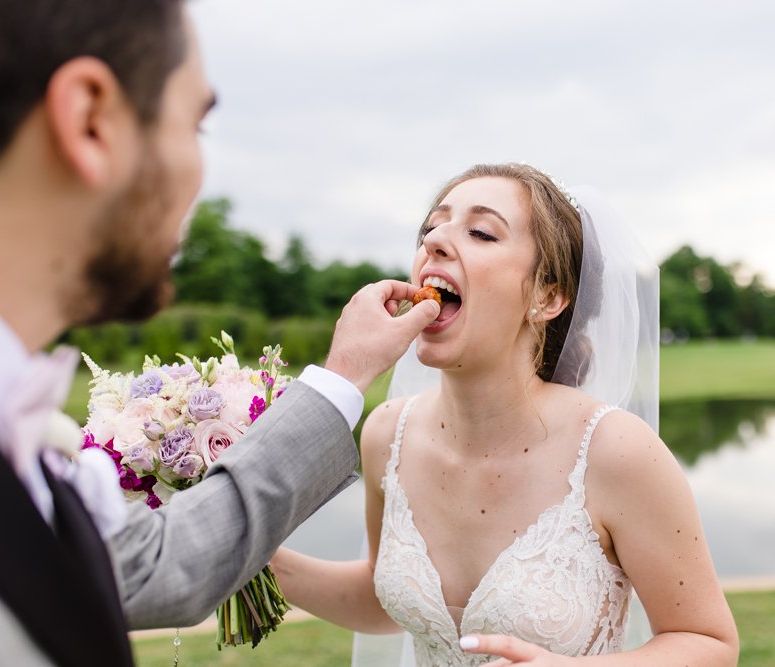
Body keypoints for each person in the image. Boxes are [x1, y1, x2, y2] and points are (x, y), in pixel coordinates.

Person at [0, 2, 440, 666]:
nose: (199, 174)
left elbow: (152, 564)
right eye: (197, 125)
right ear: (89, 120)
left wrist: (344, 373)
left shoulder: (12, 422)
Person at [270, 163, 740, 665]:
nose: (435, 242)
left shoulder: (615, 451)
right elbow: (383, 601)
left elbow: (709, 642)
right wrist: (243, 552)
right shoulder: (387, 432)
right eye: (431, 228)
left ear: (547, 296)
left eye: (480, 231)